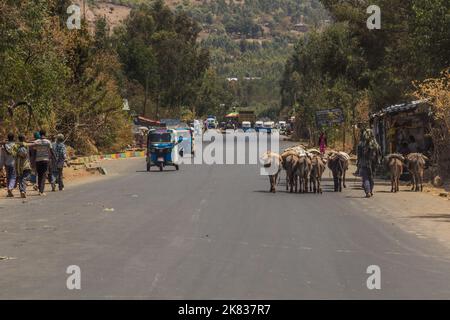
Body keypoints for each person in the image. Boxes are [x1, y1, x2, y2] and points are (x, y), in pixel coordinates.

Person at [357, 128, 381, 198]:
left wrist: (358, 162)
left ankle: (368, 192)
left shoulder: (361, 144)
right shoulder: (375, 144)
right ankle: (370, 191)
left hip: (364, 163)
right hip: (373, 165)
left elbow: (359, 155)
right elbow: (379, 154)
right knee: (371, 178)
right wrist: (378, 162)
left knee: (365, 178)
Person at [32, 129, 54, 196]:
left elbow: (34, 152)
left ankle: (39, 190)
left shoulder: (36, 142)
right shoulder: (48, 142)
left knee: (39, 175)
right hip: (45, 160)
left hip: (38, 160)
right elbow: (51, 151)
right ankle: (41, 191)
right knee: (44, 175)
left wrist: (33, 160)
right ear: (45, 134)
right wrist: (54, 157)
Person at [15, 134, 32, 198]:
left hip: (19, 166)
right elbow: (26, 155)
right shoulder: (25, 146)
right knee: (24, 178)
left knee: (21, 179)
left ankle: (22, 191)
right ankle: (23, 191)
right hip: (26, 165)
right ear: (24, 139)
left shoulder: (16, 146)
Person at [2, 133, 17, 197]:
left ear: (8, 138)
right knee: (13, 177)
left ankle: (9, 190)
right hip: (13, 163)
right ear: (13, 138)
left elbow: (2, 156)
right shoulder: (15, 145)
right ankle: (10, 188)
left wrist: (1, 164)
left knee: (8, 177)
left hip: (6, 164)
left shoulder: (3, 146)